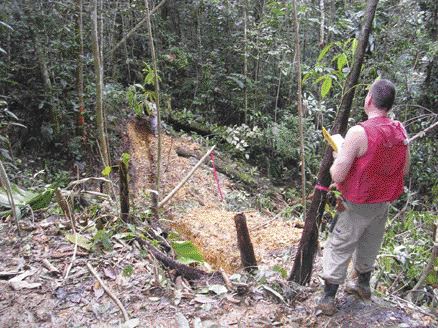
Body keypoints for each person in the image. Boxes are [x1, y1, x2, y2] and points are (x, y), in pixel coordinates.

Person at [317, 79, 410, 316]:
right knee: (371, 242)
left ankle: (328, 298)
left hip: (356, 203)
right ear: (388, 105)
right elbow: (405, 168)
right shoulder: (400, 130)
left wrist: (340, 153)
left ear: (369, 100)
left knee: (340, 245)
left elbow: (338, 173)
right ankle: (363, 285)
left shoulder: (359, 132)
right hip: (382, 203)